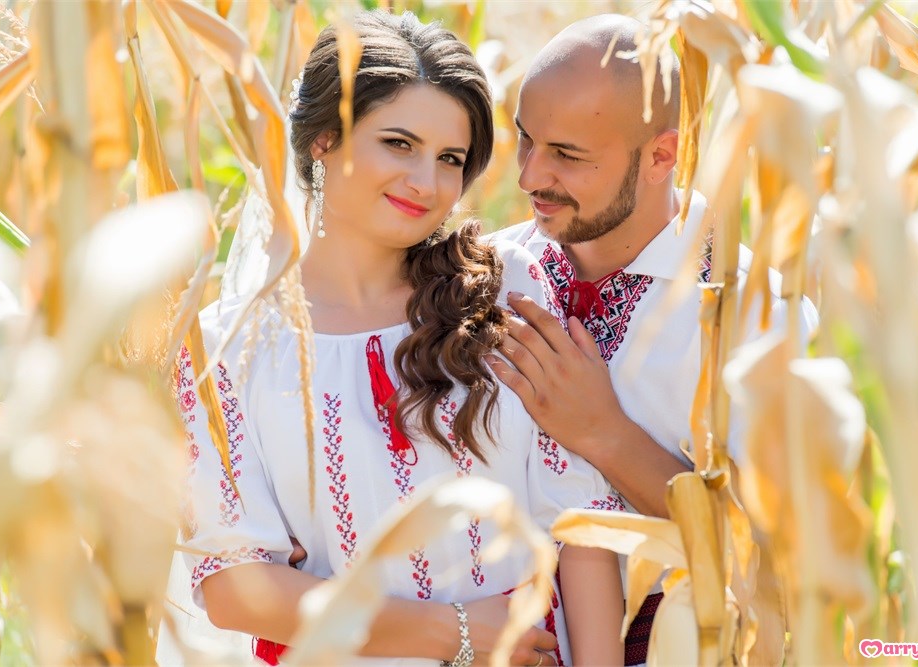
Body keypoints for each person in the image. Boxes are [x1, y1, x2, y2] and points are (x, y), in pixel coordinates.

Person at [175, 11, 624, 667]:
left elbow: (582, 520)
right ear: (324, 139)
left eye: (450, 159)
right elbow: (234, 587)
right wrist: (454, 631)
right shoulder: (227, 351)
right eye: (398, 143)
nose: (427, 182)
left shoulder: (507, 292)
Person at [485, 14, 818, 666]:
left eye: (567, 155)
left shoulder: (755, 317)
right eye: (526, 139)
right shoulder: (484, 275)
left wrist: (605, 434)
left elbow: (782, 563)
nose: (528, 177)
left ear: (662, 156)